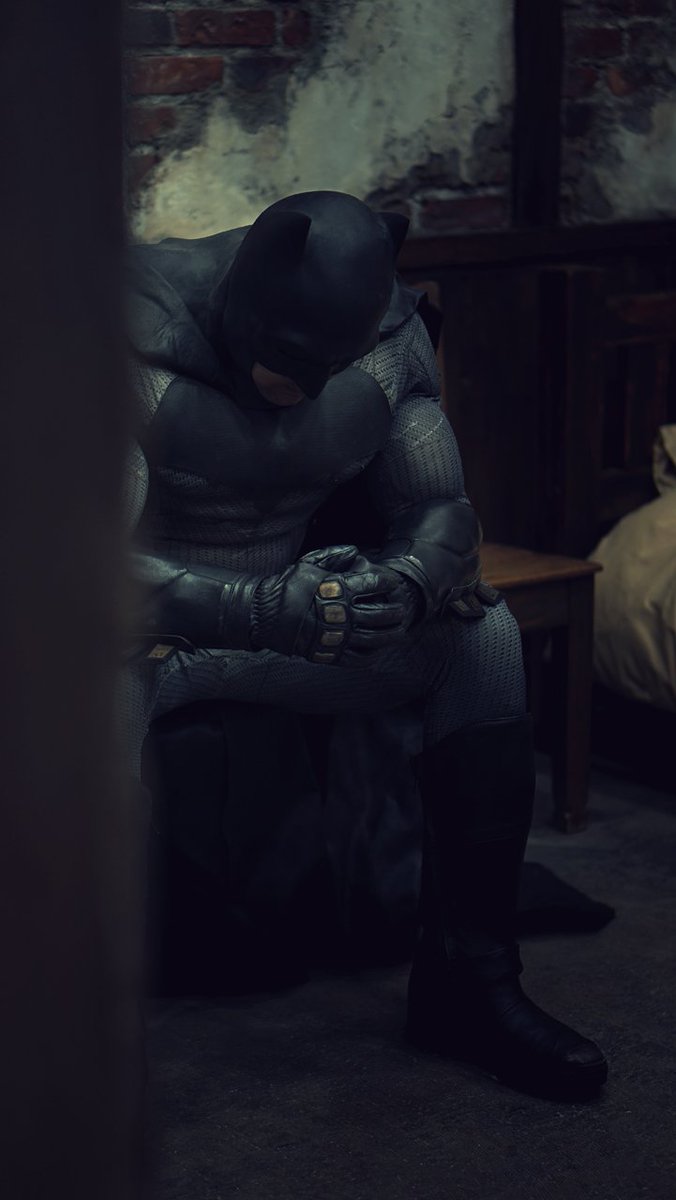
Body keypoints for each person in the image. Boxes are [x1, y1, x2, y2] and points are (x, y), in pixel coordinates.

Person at [123, 190, 608, 1100]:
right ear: (246, 304)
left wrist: (413, 579)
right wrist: (255, 608)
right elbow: (79, 573)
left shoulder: (389, 343)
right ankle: (73, 1040)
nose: (310, 392)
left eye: (330, 368)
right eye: (293, 364)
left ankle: (469, 982)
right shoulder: (130, 346)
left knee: (485, 641)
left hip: (299, 615)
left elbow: (440, 507)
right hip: (147, 643)